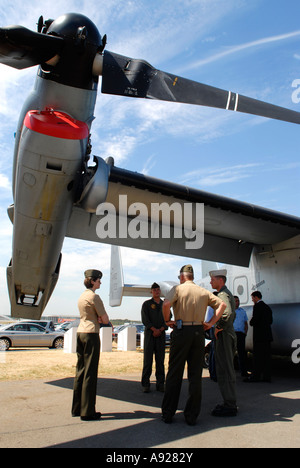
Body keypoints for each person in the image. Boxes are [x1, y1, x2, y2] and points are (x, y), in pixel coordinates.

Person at [161, 265, 226, 426]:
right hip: (198, 331)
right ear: (192, 276)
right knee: (195, 375)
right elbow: (222, 306)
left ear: (182, 277)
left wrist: (167, 320)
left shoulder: (177, 289)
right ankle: (191, 416)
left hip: (181, 331)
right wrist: (210, 323)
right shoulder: (203, 291)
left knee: (175, 372)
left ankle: (168, 413)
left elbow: (166, 304)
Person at [72, 269, 110, 421]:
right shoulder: (95, 297)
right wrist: (101, 319)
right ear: (93, 281)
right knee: (90, 372)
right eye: (99, 280)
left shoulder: (82, 296)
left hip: (81, 332)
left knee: (80, 370)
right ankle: (87, 411)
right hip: (91, 334)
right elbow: (105, 319)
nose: (100, 282)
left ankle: (77, 408)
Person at [209, 270, 238, 417]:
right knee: (226, 368)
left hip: (225, 335)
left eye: (212, 280)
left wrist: (218, 327)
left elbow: (227, 313)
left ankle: (230, 404)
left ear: (220, 280)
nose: (210, 282)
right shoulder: (226, 294)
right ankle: (229, 402)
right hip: (228, 334)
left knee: (225, 370)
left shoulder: (222, 295)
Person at [141, 282, 167, 393]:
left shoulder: (165, 304)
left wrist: (160, 329)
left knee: (160, 360)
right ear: (151, 291)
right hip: (150, 335)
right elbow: (145, 319)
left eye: (158, 289)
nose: (157, 291)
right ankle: (145, 384)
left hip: (160, 335)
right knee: (148, 361)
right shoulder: (146, 304)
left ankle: (160, 384)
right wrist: (154, 329)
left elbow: (168, 318)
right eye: (154, 289)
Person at [245, 291, 273, 383]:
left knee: (257, 357)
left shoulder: (257, 306)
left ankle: (256, 376)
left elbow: (254, 320)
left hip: (259, 336)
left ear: (256, 297)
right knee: (266, 357)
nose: (252, 300)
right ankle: (266, 376)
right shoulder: (267, 307)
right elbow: (270, 321)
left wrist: (251, 322)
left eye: (252, 298)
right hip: (267, 336)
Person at [233, 296, 249, 377]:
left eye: (238, 301)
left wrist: (245, 333)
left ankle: (244, 371)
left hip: (240, 334)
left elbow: (246, 323)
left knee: (242, 353)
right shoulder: (230, 311)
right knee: (230, 354)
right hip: (232, 334)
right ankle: (230, 373)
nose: (237, 302)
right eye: (235, 301)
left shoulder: (242, 311)